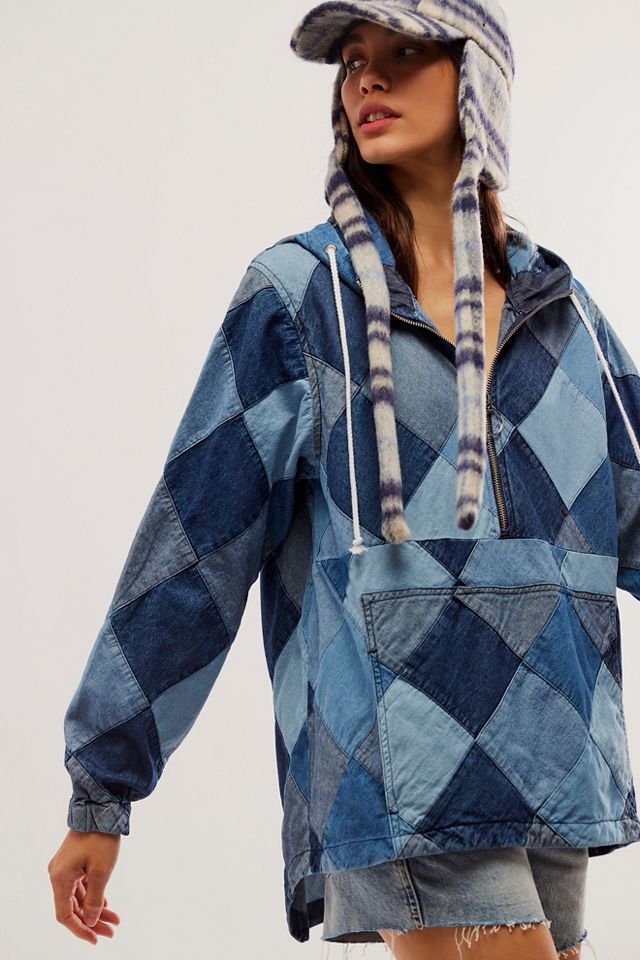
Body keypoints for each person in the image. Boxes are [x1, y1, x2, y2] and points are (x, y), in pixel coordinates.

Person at [48, 1, 640, 957]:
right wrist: (102, 786)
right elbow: (195, 543)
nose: (368, 77)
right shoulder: (300, 300)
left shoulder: (562, 312)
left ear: (479, 81)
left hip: (555, 756)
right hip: (400, 756)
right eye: (354, 59)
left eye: (405, 50)